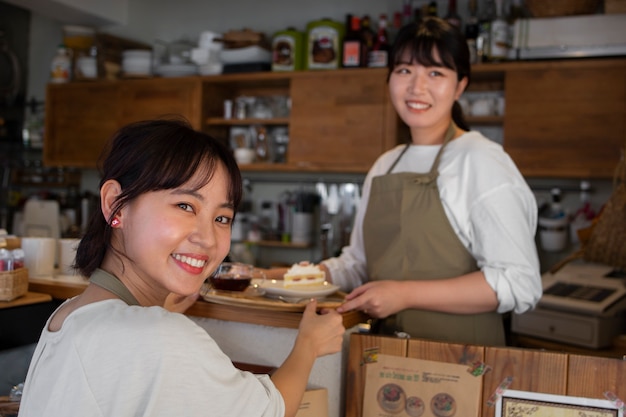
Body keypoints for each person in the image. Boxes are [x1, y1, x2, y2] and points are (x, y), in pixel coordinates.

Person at [18, 119, 345, 417]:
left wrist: (163, 311)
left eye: (222, 218)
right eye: (185, 206)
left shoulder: (68, 315)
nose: (207, 238)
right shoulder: (161, 337)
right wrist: (309, 345)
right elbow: (270, 411)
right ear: (114, 203)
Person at [275, 17, 541, 346]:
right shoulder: (386, 165)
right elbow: (358, 264)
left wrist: (405, 294)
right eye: (404, 71)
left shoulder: (481, 160)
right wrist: (300, 277)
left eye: (435, 73)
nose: (417, 87)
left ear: (460, 86)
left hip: (465, 365)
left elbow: (520, 282)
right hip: (380, 357)